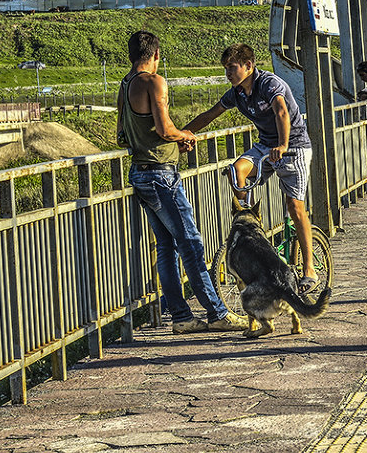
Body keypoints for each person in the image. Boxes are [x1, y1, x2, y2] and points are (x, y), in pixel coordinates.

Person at [119, 31, 246, 334]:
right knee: (190, 243)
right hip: (161, 176)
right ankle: (217, 313)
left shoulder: (125, 84)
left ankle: (181, 317)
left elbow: (126, 133)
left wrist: (173, 141)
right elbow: (164, 129)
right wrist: (184, 136)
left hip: (140, 172)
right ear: (156, 54)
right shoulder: (154, 81)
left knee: (166, 246)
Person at [184, 43, 320, 293]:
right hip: (266, 146)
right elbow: (211, 114)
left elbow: (281, 112)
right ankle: (249, 221)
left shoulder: (269, 83)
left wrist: (282, 144)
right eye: (225, 68)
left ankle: (310, 269)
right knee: (237, 170)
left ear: (248, 66)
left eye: (232, 68)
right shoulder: (236, 93)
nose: (228, 73)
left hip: (294, 146)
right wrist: (184, 133)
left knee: (295, 206)